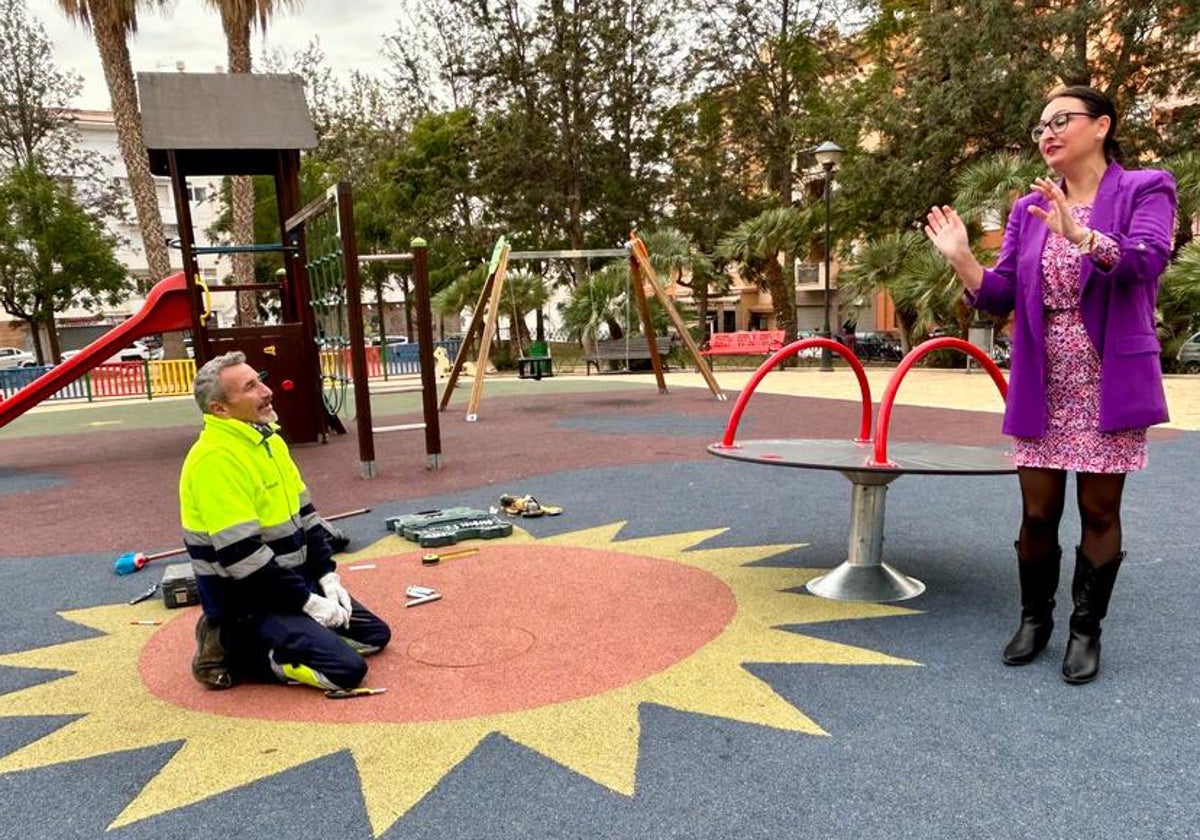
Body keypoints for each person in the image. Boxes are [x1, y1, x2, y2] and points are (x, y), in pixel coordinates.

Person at [924, 85, 1175, 684]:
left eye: (1061, 121)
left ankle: (1086, 632)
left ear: (1102, 125)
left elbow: (1146, 261)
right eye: (1040, 127)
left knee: (1097, 508)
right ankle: (1035, 619)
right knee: (1037, 512)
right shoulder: (1027, 208)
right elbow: (1003, 292)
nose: (1047, 134)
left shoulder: (1146, 187)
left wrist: (1082, 236)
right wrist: (963, 259)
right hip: (1044, 376)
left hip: (1107, 375)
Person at [179, 351, 391, 691]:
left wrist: (326, 575)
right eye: (250, 387)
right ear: (221, 409)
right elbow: (243, 558)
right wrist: (307, 603)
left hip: (289, 582)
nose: (266, 391)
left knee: (376, 636)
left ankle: (290, 634)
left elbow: (307, 515)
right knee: (346, 671)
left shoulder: (269, 441)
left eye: (260, 379)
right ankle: (239, 649)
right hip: (249, 597)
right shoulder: (215, 460)